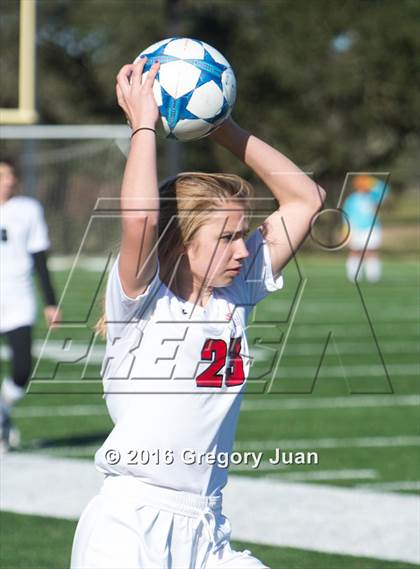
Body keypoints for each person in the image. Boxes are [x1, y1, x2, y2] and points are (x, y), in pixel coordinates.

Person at [70, 57, 326, 569]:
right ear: (180, 242)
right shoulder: (143, 301)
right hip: (131, 526)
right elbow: (142, 219)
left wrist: (220, 124)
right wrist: (144, 124)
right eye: (226, 238)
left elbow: (307, 198)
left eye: (242, 235)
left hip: (207, 527)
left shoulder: (236, 292)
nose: (242, 249)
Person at [0, 158, 61, 451]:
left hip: (18, 298)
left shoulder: (28, 210)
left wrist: (51, 303)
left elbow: (40, 258)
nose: (6, 181)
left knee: (22, 369)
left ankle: (3, 410)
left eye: (10, 175)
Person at [342, 175, 389, 282]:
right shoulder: (352, 199)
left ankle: (373, 277)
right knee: (355, 251)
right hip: (356, 229)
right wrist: (346, 230)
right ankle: (354, 275)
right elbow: (345, 215)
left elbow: (385, 191)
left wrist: (373, 182)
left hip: (371, 228)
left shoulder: (373, 197)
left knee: (371, 251)